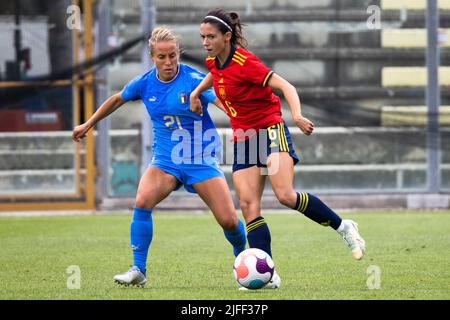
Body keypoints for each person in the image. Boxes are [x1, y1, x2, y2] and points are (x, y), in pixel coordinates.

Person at [190, 9, 366, 289]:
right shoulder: (213, 61)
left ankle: (344, 227)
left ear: (227, 36)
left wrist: (296, 116)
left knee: (284, 195)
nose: (205, 42)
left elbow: (286, 85)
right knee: (248, 206)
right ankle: (268, 275)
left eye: (211, 36)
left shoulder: (246, 62)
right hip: (245, 137)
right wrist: (196, 92)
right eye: (202, 37)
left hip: (270, 130)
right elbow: (215, 74)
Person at [72, 27, 246, 287]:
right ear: (152, 57)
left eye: (173, 56)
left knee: (229, 220)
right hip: (166, 160)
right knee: (142, 200)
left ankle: (245, 261)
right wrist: (89, 123)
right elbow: (117, 99)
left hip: (199, 158)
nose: (168, 62)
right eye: (162, 57)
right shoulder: (144, 83)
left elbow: (221, 100)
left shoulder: (193, 79)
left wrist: (242, 119)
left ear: (178, 55)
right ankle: (138, 269)